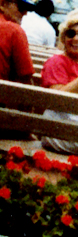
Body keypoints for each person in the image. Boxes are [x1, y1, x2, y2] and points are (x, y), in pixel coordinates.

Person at [40, 10, 78, 154]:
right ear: (63, 37)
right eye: (71, 34)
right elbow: (56, 99)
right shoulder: (56, 62)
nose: (75, 39)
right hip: (59, 131)